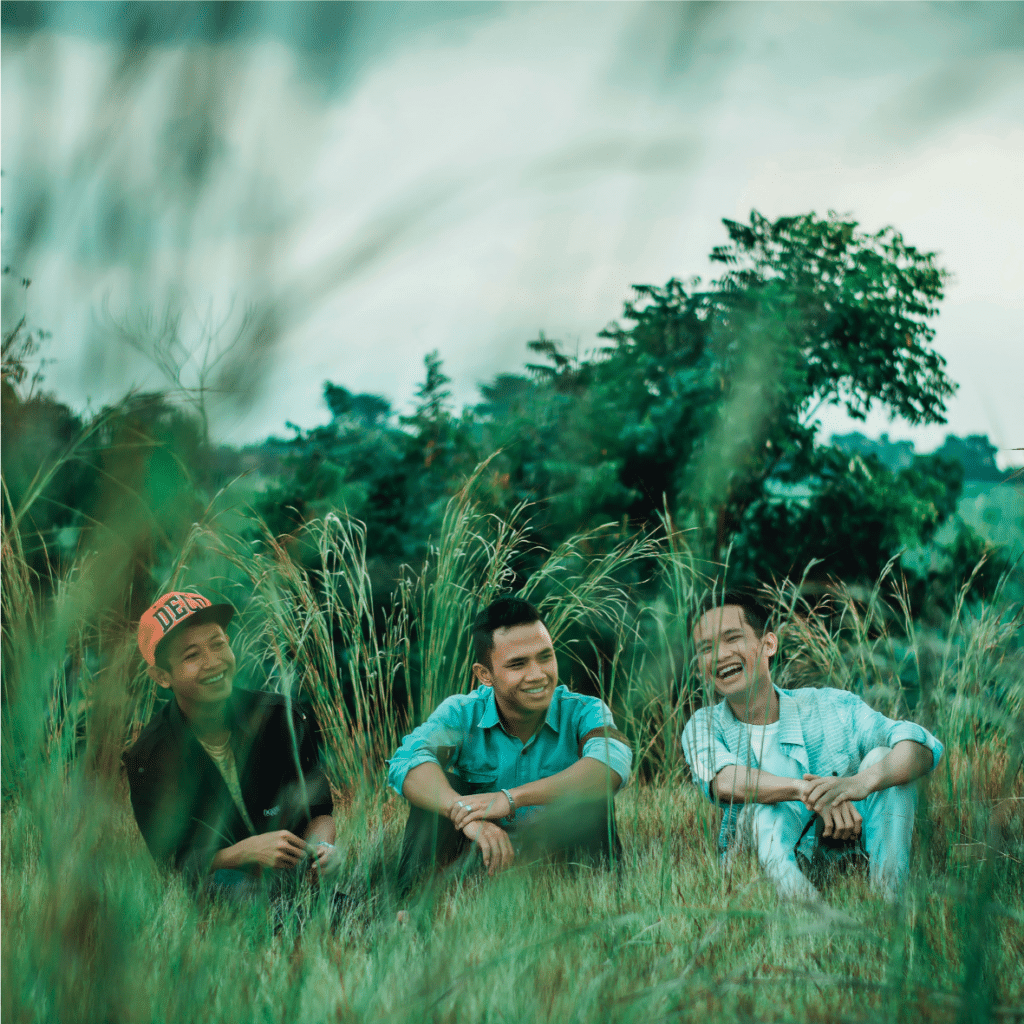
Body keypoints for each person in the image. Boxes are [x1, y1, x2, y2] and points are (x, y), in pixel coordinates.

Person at [681, 592, 943, 903]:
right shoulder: (703, 725)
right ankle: (809, 916)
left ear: (768, 644)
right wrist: (810, 793)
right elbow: (724, 781)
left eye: (732, 638)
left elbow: (922, 747)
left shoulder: (830, 705)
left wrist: (855, 785)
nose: (721, 655)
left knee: (884, 759)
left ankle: (890, 899)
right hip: (765, 866)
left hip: (847, 847)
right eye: (706, 649)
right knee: (760, 810)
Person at [388, 596, 631, 893]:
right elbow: (406, 761)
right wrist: (460, 811)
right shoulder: (462, 713)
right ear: (484, 674)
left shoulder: (584, 711)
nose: (538, 674)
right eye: (518, 664)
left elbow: (612, 764)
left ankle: (599, 906)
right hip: (483, 861)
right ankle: (414, 908)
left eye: (545, 657)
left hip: (562, 863)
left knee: (591, 793)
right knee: (438, 791)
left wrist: (511, 798)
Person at [123, 591, 339, 897]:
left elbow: (319, 811)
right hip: (225, 884)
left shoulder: (283, 718)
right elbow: (174, 860)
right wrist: (244, 852)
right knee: (229, 888)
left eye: (218, 644)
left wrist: (322, 850)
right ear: (161, 676)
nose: (213, 662)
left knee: (323, 902)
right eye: (191, 655)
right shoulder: (149, 756)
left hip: (293, 873)